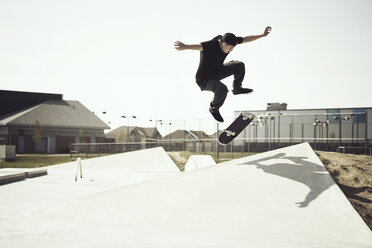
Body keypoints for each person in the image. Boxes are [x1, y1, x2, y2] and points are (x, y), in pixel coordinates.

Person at [174, 26, 272, 122]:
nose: (231, 50)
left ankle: (237, 88)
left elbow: (246, 39)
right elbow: (199, 46)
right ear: (224, 44)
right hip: (204, 80)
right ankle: (214, 108)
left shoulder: (230, 41)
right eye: (230, 48)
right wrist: (185, 46)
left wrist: (262, 35)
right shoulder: (212, 45)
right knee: (222, 89)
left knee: (239, 65)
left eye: (233, 47)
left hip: (217, 71)